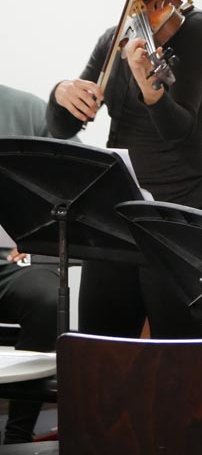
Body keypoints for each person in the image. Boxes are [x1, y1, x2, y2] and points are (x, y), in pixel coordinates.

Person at [46, 0, 202, 339]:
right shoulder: (115, 37)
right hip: (119, 212)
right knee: (100, 351)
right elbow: (62, 127)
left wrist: (150, 87)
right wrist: (62, 92)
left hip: (177, 214)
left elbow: (182, 136)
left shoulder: (193, 29)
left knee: (178, 362)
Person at [0, 85, 60, 444]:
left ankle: (18, 434)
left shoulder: (27, 110)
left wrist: (38, 241)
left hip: (8, 260)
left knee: (50, 296)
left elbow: (67, 189)